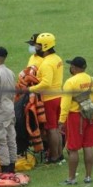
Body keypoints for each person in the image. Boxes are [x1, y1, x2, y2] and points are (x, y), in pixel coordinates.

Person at [58, 57, 93, 185]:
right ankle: (88, 177)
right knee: (88, 146)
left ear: (75, 68)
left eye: (71, 66)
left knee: (73, 148)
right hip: (90, 117)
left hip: (75, 117)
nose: (70, 68)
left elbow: (65, 104)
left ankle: (71, 178)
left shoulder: (70, 82)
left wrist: (61, 120)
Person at [27, 32, 64, 164]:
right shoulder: (57, 58)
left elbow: (46, 84)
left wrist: (30, 89)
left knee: (51, 129)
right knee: (57, 129)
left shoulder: (47, 63)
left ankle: (54, 156)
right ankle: (59, 154)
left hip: (50, 98)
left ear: (45, 46)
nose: (36, 48)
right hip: (59, 96)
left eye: (38, 45)